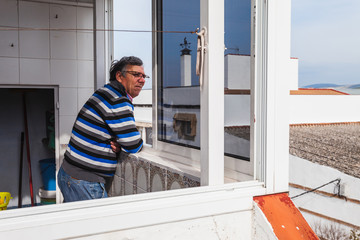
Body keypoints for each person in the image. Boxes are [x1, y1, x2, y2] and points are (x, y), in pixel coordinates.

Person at [57, 56, 147, 202]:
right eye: (136, 75)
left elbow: (108, 131)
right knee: (98, 225)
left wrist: (119, 142)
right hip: (84, 181)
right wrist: (124, 142)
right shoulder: (117, 99)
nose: (142, 80)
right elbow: (134, 144)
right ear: (119, 76)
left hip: (70, 174)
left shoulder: (105, 92)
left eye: (144, 76)